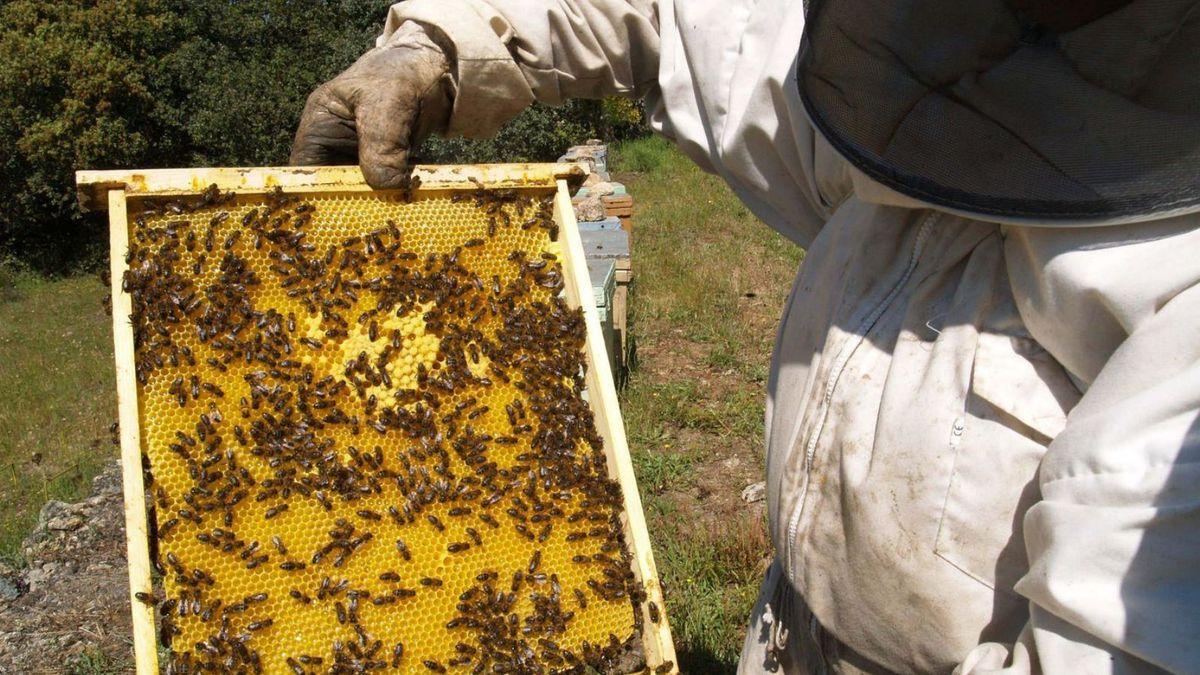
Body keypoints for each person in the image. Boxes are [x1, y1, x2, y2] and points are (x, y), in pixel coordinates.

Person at [290, 1, 1200, 672]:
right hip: (785, 634)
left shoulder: (1179, 311)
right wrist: (437, 51)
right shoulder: (923, 78)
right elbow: (665, 16)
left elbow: (1116, 646)